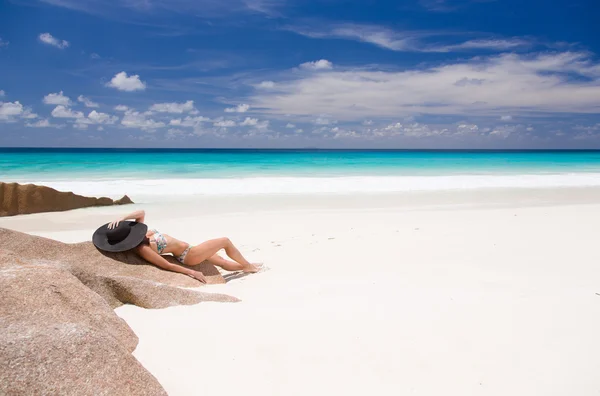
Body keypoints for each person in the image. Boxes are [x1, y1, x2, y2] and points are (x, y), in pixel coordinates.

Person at [92, 210, 260, 284]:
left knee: (222, 262)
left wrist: (122, 217)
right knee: (225, 240)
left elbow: (141, 212)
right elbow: (166, 264)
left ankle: (246, 268)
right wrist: (192, 272)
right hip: (189, 255)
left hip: (190, 249)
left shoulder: (140, 233)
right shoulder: (142, 248)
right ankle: (249, 266)